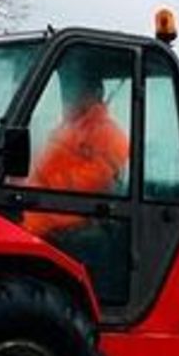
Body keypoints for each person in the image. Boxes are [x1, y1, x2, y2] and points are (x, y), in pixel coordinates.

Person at [18, 60, 130, 291]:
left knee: (20, 230)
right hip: (48, 204)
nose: (70, 96)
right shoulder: (67, 128)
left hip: (77, 211)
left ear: (96, 93)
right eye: (68, 90)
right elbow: (43, 163)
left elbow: (91, 180)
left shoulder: (110, 135)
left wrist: (40, 188)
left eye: (77, 90)